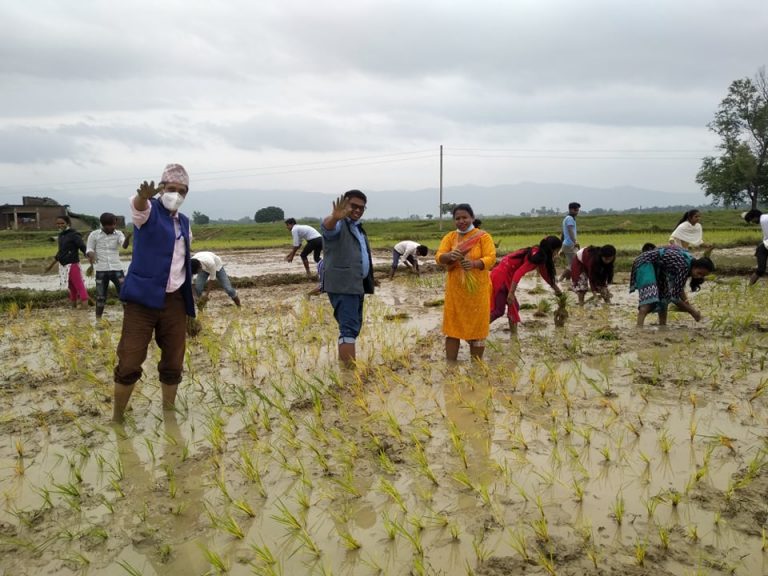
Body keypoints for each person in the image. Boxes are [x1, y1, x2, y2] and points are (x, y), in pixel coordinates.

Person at [112, 163, 196, 423]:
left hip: (174, 301)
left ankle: (169, 414)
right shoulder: (149, 211)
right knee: (130, 360)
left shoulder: (184, 222)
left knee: (174, 360)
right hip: (142, 300)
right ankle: (117, 418)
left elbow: (181, 260)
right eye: (171, 188)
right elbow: (138, 207)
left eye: (182, 191)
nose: (176, 194)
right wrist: (142, 197)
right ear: (161, 188)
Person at [436, 203, 496, 361]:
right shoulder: (450, 237)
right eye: (457, 218)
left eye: (465, 217)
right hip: (456, 291)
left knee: (477, 330)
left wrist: (475, 264)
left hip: (477, 291)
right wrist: (450, 256)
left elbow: (491, 258)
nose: (461, 221)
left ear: (472, 218)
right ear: (454, 220)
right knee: (452, 329)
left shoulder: (483, 237)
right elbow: (439, 256)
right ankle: (451, 366)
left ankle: (476, 367)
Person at [321, 190, 375, 366]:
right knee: (348, 329)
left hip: (356, 284)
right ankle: (348, 373)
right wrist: (335, 217)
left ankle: (346, 367)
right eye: (354, 206)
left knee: (352, 327)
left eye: (362, 207)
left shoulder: (357, 227)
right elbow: (328, 229)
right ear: (345, 205)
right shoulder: (338, 224)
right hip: (343, 285)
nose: (358, 210)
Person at [490, 236, 562, 334]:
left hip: (503, 274)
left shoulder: (539, 254)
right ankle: (477, 331)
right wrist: (511, 293)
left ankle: (514, 336)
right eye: (557, 251)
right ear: (551, 250)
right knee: (498, 310)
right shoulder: (535, 257)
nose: (556, 254)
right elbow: (518, 273)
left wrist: (557, 290)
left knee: (513, 306)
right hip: (501, 276)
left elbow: (545, 275)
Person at [629, 245, 714, 327]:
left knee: (664, 300)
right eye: (699, 273)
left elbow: (678, 288)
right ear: (695, 267)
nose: (699, 277)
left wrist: (686, 303)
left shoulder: (688, 263)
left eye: (703, 276)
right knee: (649, 301)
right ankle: (639, 328)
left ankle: (662, 326)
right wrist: (692, 311)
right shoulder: (684, 266)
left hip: (659, 267)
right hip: (646, 263)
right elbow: (674, 298)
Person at [86, 212, 131, 319]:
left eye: (114, 224)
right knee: (100, 297)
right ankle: (98, 320)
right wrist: (91, 254)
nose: (113, 227)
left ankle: (129, 318)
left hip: (117, 269)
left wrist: (127, 238)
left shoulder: (118, 234)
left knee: (124, 294)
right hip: (101, 270)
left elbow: (124, 245)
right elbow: (89, 249)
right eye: (110, 225)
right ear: (103, 225)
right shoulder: (94, 235)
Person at [45, 215, 89, 308]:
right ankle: (73, 307)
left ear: (68, 223)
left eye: (62, 223)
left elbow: (82, 246)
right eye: (58, 223)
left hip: (72, 264)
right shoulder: (61, 235)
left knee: (79, 286)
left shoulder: (74, 234)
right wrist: (50, 265)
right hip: (63, 265)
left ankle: (85, 308)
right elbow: (60, 252)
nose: (60, 225)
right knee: (71, 287)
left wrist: (89, 256)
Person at [743, 209, 768, 285]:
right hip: (764, 248)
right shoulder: (764, 219)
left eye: (751, 220)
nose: (752, 222)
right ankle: (749, 287)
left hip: (765, 246)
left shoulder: (764, 220)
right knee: (760, 270)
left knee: (760, 270)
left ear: (755, 217)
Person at [559, 202, 581, 281]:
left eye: (578, 210)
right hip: (570, 244)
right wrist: (575, 242)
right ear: (571, 209)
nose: (577, 212)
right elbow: (570, 231)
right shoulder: (570, 219)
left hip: (567, 244)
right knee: (574, 264)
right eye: (575, 210)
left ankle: (567, 280)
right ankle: (560, 279)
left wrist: (561, 247)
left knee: (572, 263)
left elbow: (563, 233)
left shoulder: (567, 218)